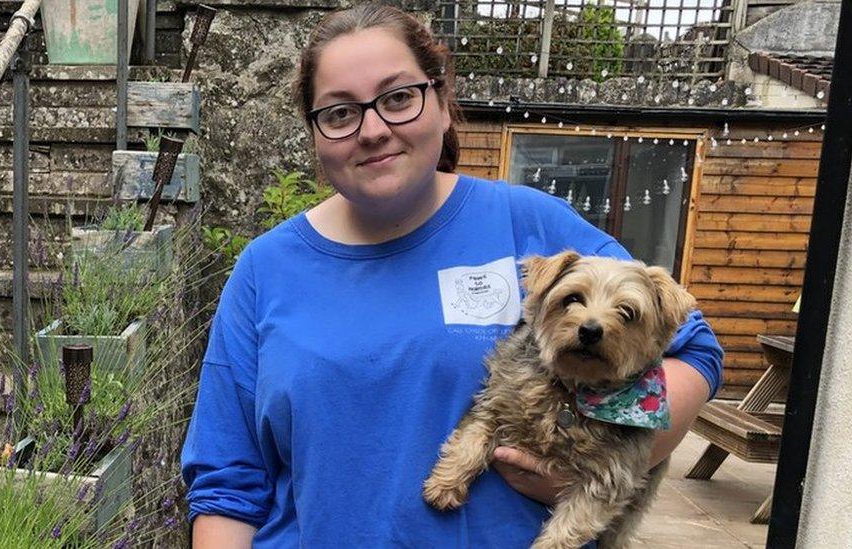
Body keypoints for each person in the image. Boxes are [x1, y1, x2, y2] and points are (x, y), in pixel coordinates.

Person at [181, 4, 723, 547]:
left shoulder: (528, 224)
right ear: (315, 133)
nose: (372, 130)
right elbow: (228, 479)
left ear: (442, 102)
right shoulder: (266, 268)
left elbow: (695, 352)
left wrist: (603, 465)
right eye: (340, 112)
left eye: (397, 98)